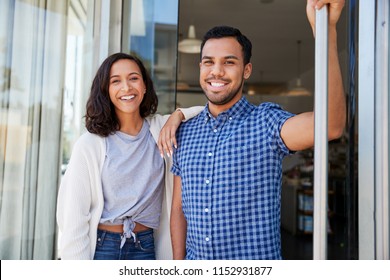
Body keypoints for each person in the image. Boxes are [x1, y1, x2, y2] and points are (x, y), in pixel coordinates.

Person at [169, 0, 346, 259]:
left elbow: (330, 125)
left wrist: (326, 29)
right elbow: (178, 209)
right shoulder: (184, 133)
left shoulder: (266, 123)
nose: (216, 71)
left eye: (229, 62)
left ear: (247, 70)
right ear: (200, 68)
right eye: (208, 62)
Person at [56, 52, 202, 260]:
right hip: (103, 247)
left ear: (144, 86)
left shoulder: (161, 129)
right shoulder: (90, 144)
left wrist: (178, 115)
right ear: (106, 90)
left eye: (133, 78)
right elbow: (74, 218)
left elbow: (208, 109)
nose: (126, 88)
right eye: (116, 81)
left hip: (147, 246)